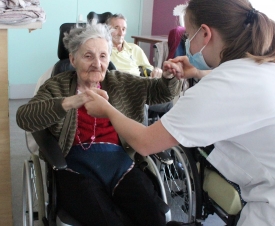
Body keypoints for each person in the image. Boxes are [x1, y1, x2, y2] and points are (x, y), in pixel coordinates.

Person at [84, 0, 275, 226]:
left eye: (188, 35)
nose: (186, 41)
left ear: (205, 33)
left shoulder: (223, 86)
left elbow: (145, 142)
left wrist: (108, 110)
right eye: (87, 56)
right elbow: (239, 87)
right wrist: (198, 71)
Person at [16, 22, 181, 226]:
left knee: (153, 215)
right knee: (107, 220)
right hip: (74, 167)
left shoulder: (119, 82)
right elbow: (24, 117)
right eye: (88, 56)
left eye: (103, 56)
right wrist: (69, 102)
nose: (97, 63)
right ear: (72, 59)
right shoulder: (57, 86)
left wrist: (168, 77)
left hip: (119, 164)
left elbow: (162, 92)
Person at [107, 13, 173, 123]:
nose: (121, 33)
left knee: (168, 102)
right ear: (107, 30)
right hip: (121, 91)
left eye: (124, 29)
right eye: (116, 28)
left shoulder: (134, 49)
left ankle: (166, 134)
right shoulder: (104, 51)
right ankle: (143, 137)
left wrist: (157, 70)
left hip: (142, 87)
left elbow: (149, 69)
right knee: (140, 103)